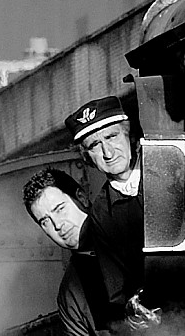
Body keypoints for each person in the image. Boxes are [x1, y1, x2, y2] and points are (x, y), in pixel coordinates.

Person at [23, 166, 155, 336]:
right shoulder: (70, 294)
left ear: (81, 197)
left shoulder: (135, 227)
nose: (57, 226)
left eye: (60, 209)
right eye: (45, 221)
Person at [58, 95, 144, 291]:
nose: (108, 153)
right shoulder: (101, 214)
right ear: (87, 157)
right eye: (94, 145)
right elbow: (119, 289)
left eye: (111, 137)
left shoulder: (168, 169)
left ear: (129, 135)